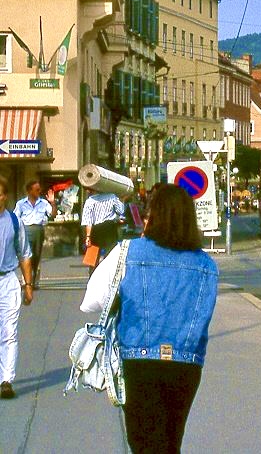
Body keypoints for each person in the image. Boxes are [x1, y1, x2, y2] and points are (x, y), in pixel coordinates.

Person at [80, 184, 218, 453]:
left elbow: (91, 301)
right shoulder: (207, 266)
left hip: (139, 361)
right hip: (187, 365)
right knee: (169, 443)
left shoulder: (127, 252)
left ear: (153, 216)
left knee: (143, 443)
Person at [0, 179, 34, 400]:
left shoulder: (14, 221)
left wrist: (28, 285)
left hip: (7, 281)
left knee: (9, 332)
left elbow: (24, 254)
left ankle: (6, 380)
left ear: (5, 196)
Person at [14, 179, 56, 289]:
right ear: (29, 191)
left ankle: (35, 281)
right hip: (25, 230)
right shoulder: (21, 204)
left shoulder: (43, 203)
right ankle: (26, 281)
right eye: (36, 190)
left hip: (39, 229)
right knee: (27, 255)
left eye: (39, 189)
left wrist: (52, 202)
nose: (39, 191)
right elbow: (15, 218)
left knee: (37, 255)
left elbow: (53, 214)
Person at [81, 188, 125, 267]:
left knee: (92, 259)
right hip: (110, 228)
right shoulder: (112, 197)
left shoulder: (90, 201)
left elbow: (88, 220)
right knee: (111, 256)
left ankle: (92, 276)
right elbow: (121, 210)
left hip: (95, 229)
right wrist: (121, 199)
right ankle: (110, 276)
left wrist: (88, 236)